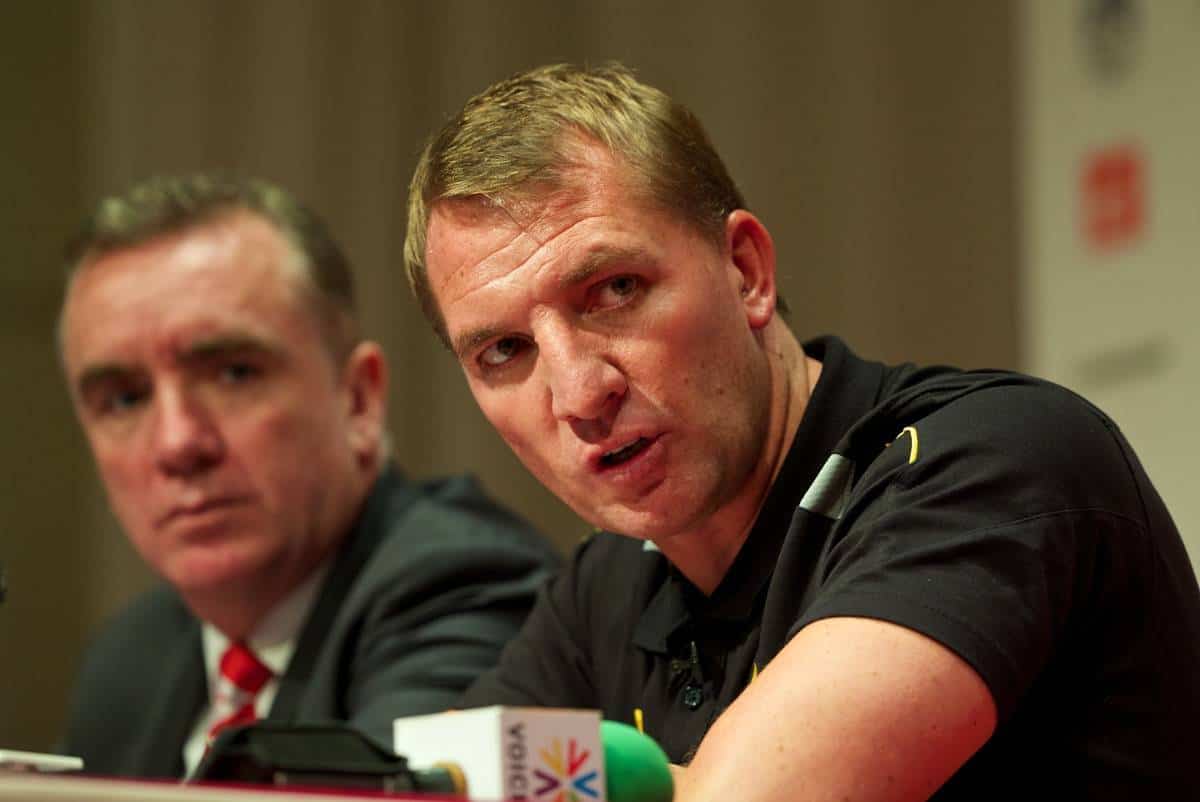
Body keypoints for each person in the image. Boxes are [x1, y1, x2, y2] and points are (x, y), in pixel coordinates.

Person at [402, 63, 1200, 801]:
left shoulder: (996, 460)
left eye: (614, 289)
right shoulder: (606, 589)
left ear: (746, 270)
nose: (580, 392)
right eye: (504, 349)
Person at [57, 174, 559, 779]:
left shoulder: (463, 589)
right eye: (125, 399)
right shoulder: (130, 660)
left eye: (234, 374)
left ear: (358, 400)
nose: (177, 442)